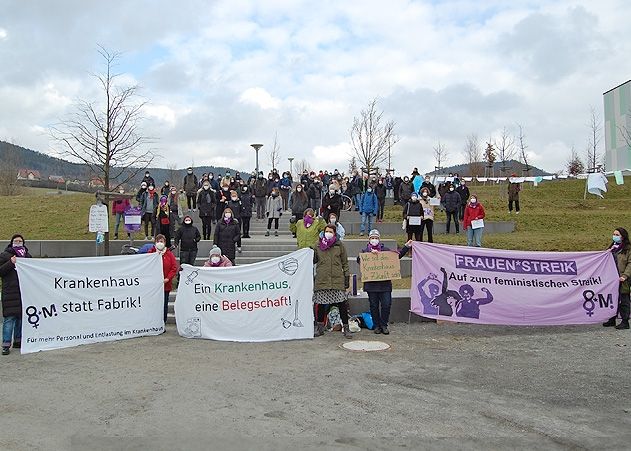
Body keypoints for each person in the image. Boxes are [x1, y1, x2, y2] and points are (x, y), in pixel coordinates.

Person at [358, 230, 412, 335]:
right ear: (369, 239)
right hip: (371, 285)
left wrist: (406, 246)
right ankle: (376, 325)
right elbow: (359, 260)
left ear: (379, 239)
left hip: (385, 285)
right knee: (373, 305)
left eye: (376, 238)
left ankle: (384, 325)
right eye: (372, 238)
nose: (374, 240)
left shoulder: (386, 250)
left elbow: (397, 256)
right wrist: (369, 254)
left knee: (386, 304)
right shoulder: (365, 251)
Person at [312, 224, 352, 339]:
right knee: (320, 304)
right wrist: (309, 252)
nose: (328, 233)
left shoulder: (340, 246)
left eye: (330, 231)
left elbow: (345, 263)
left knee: (342, 304)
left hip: (336, 280)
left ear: (335, 233)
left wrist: (346, 277)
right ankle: (320, 328)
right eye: (326, 231)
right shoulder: (318, 245)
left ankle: (346, 328)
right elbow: (313, 260)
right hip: (322, 279)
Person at [0, 234, 31, 355]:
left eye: (20, 241)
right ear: (11, 242)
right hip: (10, 291)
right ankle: (6, 344)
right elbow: (1, 271)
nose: (18, 243)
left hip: (23, 291)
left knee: (20, 317)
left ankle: (18, 340)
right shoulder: (4, 255)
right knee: (9, 319)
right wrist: (11, 263)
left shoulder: (27, 256)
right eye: (16, 241)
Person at [603, 227, 631, 329]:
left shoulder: (628, 249)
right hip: (612, 277)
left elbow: (630, 263)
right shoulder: (612, 247)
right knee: (612, 298)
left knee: (624, 299)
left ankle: (625, 321)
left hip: (623, 278)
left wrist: (625, 275)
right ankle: (612, 318)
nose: (614, 236)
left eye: (617, 235)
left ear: (623, 237)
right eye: (614, 234)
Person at [148, 234, 178, 326]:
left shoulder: (169, 254)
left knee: (164, 305)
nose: (160, 243)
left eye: (161, 241)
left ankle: (162, 322)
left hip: (165, 285)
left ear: (165, 243)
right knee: (153, 305)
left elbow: (174, 267)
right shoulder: (151, 253)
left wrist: (168, 278)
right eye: (158, 241)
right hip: (153, 285)